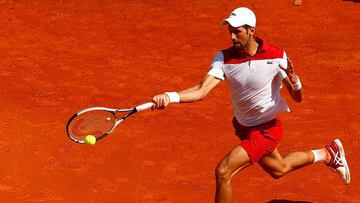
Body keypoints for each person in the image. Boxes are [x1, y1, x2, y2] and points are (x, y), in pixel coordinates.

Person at [151, 7, 350, 203]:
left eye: (237, 31)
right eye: (230, 31)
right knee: (279, 169)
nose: (232, 37)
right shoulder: (224, 58)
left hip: (266, 130)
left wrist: (295, 80)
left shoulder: (276, 56)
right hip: (243, 126)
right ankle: (328, 153)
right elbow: (201, 90)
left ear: (251, 30)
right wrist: (170, 96)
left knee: (224, 171)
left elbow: (298, 98)